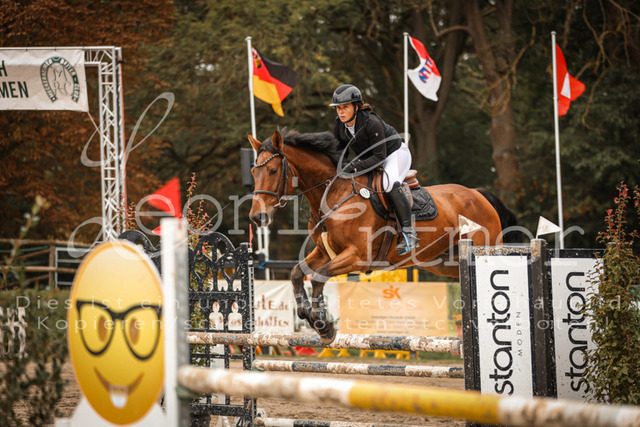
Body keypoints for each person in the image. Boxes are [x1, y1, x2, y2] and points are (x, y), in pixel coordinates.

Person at [330, 84, 419, 254]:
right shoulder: (340, 124)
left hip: (394, 155)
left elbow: (379, 157)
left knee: (389, 184)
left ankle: (409, 233)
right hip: (371, 159)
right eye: (338, 108)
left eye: (345, 107)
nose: (341, 112)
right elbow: (340, 152)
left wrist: (353, 167)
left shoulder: (371, 122)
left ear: (356, 107)